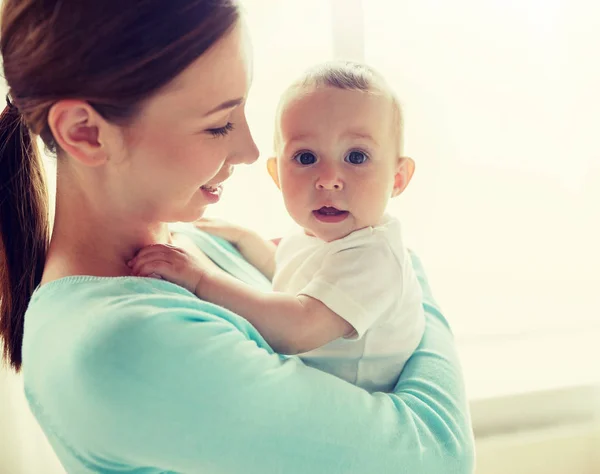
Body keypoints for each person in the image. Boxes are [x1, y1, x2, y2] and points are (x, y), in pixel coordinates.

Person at [0, 1, 475, 472]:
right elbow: (441, 454)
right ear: (85, 132)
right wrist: (406, 277)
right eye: (218, 124)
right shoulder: (126, 349)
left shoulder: (194, 243)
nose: (250, 150)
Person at [130, 61, 426, 393]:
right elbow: (291, 276)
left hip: (352, 405)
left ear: (397, 178)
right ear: (277, 176)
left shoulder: (374, 256)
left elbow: (299, 326)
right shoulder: (317, 236)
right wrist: (247, 240)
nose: (328, 180)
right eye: (305, 158)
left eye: (356, 157)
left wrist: (202, 278)